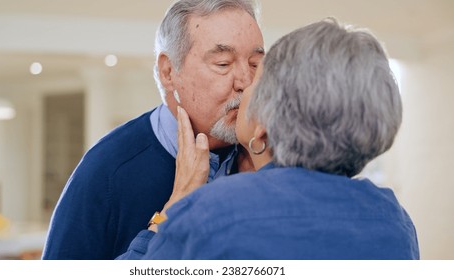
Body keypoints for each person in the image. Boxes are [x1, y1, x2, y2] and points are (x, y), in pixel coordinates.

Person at [118, 18, 420, 259]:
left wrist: (173, 208)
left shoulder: (215, 211)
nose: (243, 84)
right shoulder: (395, 221)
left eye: (256, 76)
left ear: (262, 126)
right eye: (224, 64)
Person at [42, 0, 264, 260]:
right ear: (169, 71)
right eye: (223, 64)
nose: (246, 82)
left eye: (255, 64)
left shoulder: (269, 157)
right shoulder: (107, 170)